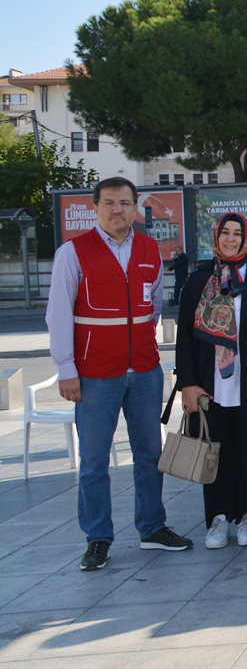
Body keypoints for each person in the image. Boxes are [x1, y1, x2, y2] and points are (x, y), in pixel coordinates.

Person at [47, 176, 193, 570]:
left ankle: (152, 527)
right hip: (95, 374)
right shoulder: (72, 253)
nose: (117, 210)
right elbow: (58, 314)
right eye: (109, 203)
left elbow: (154, 307)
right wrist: (66, 369)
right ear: (95, 208)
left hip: (144, 370)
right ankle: (98, 538)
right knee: (94, 461)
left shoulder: (148, 248)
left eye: (125, 203)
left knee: (150, 454)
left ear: (134, 208)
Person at [176, 212, 247, 549]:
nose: (230, 238)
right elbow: (184, 336)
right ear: (216, 236)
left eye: (236, 233)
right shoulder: (199, 280)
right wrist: (187, 382)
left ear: (245, 239)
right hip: (209, 383)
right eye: (224, 233)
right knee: (216, 450)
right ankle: (218, 518)